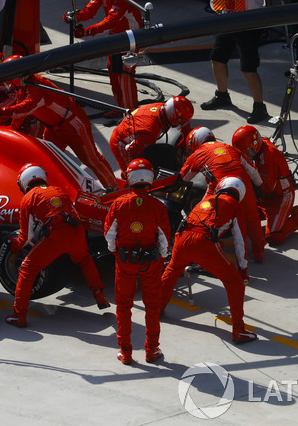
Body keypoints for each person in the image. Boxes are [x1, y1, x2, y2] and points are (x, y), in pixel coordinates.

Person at [5, 164, 109, 327]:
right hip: (77, 233)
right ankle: (99, 296)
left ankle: (19, 315)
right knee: (84, 260)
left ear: (24, 182)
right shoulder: (59, 190)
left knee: (26, 269)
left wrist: (16, 247)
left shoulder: (29, 197)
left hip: (56, 236)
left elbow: (27, 236)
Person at [0, 60, 118, 190]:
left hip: (73, 126)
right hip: (53, 128)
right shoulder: (23, 88)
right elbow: (20, 114)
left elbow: (24, 109)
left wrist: (1, 111)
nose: (8, 81)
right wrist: (12, 129)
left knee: (91, 160)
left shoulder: (38, 88)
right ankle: (54, 189)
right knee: (48, 159)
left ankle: (113, 187)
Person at [159, 176, 257, 343]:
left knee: (172, 271)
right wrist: (243, 270)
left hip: (181, 239)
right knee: (235, 283)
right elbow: (240, 242)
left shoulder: (206, 200)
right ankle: (239, 330)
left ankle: (156, 309)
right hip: (203, 244)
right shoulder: (235, 207)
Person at [104, 159, 170, 364]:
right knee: (152, 306)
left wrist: (116, 252)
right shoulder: (158, 206)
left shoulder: (118, 203)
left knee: (123, 306)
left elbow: (109, 234)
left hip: (125, 262)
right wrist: (162, 256)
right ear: (150, 178)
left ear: (129, 178)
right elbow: (164, 239)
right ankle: (152, 350)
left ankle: (125, 352)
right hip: (151, 263)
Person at [200, 0, 268, 124]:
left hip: (248, 23)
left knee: (248, 68)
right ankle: (222, 95)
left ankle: (259, 106)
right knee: (217, 60)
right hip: (227, 18)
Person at [66, 0, 143, 115]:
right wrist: (76, 17)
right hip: (116, 36)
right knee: (113, 71)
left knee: (125, 75)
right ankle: (119, 106)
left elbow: (110, 22)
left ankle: (131, 113)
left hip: (132, 38)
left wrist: (87, 32)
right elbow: (90, 11)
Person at [181, 126, 265, 262]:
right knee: (252, 218)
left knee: (202, 216)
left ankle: (200, 248)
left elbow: (182, 179)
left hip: (221, 187)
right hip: (243, 184)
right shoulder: (230, 148)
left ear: (195, 143)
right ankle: (258, 253)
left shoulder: (197, 154)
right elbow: (253, 172)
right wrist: (262, 188)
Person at [232, 125, 298, 244]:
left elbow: (266, 187)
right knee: (241, 218)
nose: (247, 157)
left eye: (247, 152)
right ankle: (273, 219)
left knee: (273, 237)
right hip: (267, 196)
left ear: (255, 144)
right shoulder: (261, 147)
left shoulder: (268, 157)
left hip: (281, 197)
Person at [109, 96, 194, 172]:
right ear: (174, 118)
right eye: (180, 122)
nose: (183, 124)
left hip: (136, 135)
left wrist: (185, 144)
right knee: (134, 173)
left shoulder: (164, 107)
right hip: (121, 143)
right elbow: (132, 151)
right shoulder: (151, 131)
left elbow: (185, 123)